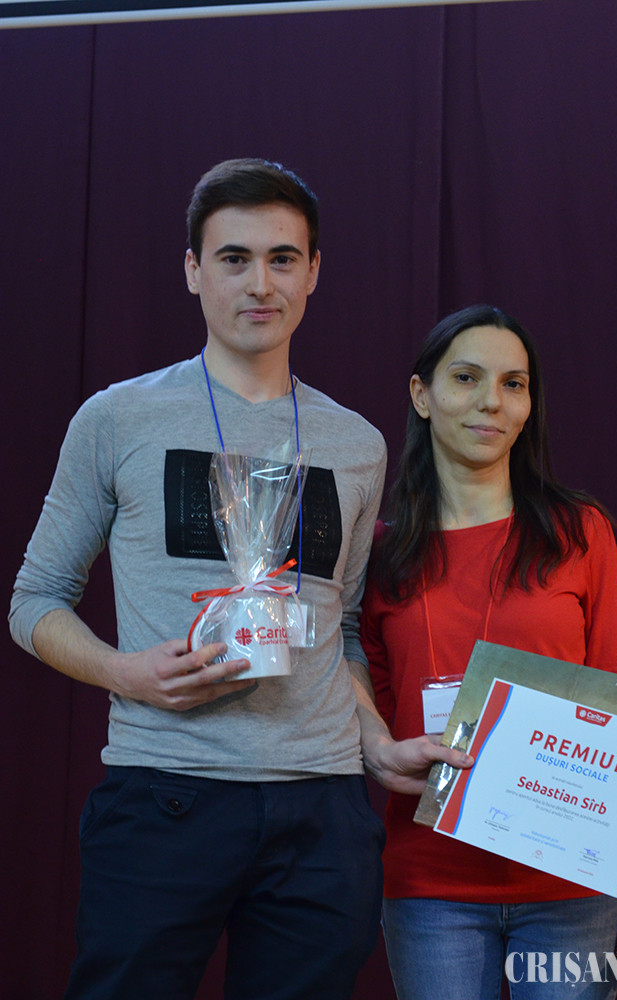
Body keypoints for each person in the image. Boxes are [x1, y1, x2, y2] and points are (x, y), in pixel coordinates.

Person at [9, 158, 470, 1000]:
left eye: (282, 258)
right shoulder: (117, 418)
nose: (260, 283)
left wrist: (375, 747)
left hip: (322, 810)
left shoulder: (357, 443)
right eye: (234, 258)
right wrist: (124, 672)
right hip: (164, 793)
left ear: (313, 271)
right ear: (193, 270)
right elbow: (33, 600)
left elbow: (342, 631)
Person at [359, 304, 617, 999]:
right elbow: (371, 710)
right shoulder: (379, 553)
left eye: (513, 384)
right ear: (422, 395)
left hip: (572, 882)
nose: (491, 401)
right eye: (466, 377)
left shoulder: (579, 532)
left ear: (529, 405)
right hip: (430, 883)